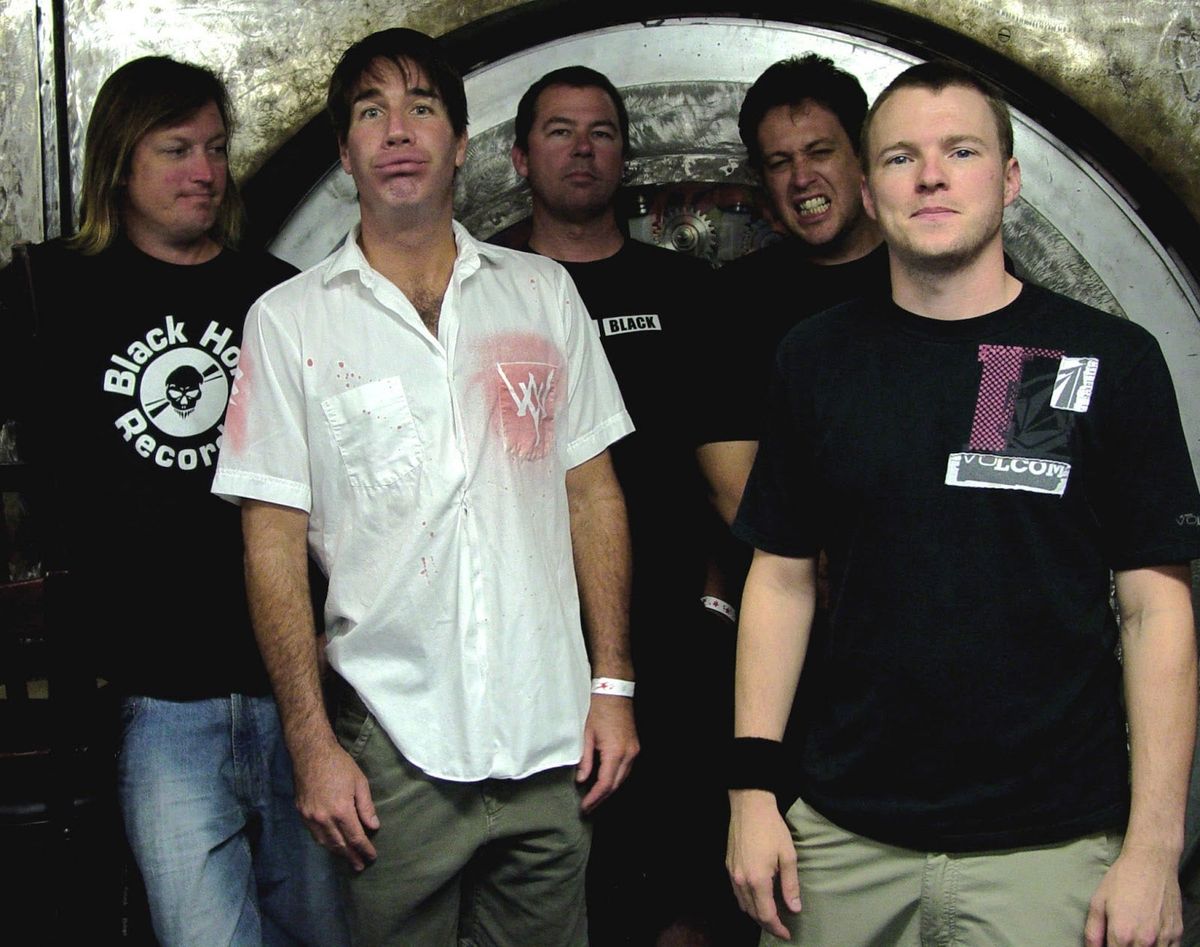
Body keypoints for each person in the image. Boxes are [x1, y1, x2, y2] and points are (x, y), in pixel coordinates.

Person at [725, 59, 1200, 947]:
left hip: (1049, 848)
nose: (932, 176)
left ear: (1009, 179)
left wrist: (1153, 847)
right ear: (871, 193)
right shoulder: (817, 359)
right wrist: (751, 791)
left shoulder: (1095, 357)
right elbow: (780, 580)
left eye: (962, 151)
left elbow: (1154, 610)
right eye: (901, 157)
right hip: (844, 838)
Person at [212, 29, 637, 946]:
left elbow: (593, 495)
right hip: (392, 750)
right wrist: (312, 744)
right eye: (371, 112)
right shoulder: (288, 322)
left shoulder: (542, 294)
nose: (398, 131)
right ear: (345, 151)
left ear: (462, 141)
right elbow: (270, 543)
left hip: (549, 733)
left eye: (421, 107)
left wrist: (612, 683)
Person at [0, 57, 346, 945]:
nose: (206, 170)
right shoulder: (46, 290)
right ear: (121, 161)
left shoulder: (275, 295)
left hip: (292, 692)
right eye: (178, 148)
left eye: (218, 149)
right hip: (150, 702)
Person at [512, 66, 751, 945]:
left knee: (684, 884)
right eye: (560, 131)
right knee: (560, 885)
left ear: (625, 157)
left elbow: (733, 477)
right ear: (518, 156)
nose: (582, 150)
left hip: (673, 637)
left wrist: (717, 601)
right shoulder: (487, 289)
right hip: (531, 642)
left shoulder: (688, 291)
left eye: (602, 132)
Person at [698, 54, 888, 522]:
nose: (802, 178)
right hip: (791, 562)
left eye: (820, 152)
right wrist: (817, 561)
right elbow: (731, 483)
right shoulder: (735, 300)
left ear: (863, 157)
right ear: (762, 180)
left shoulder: (931, 276)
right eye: (780, 163)